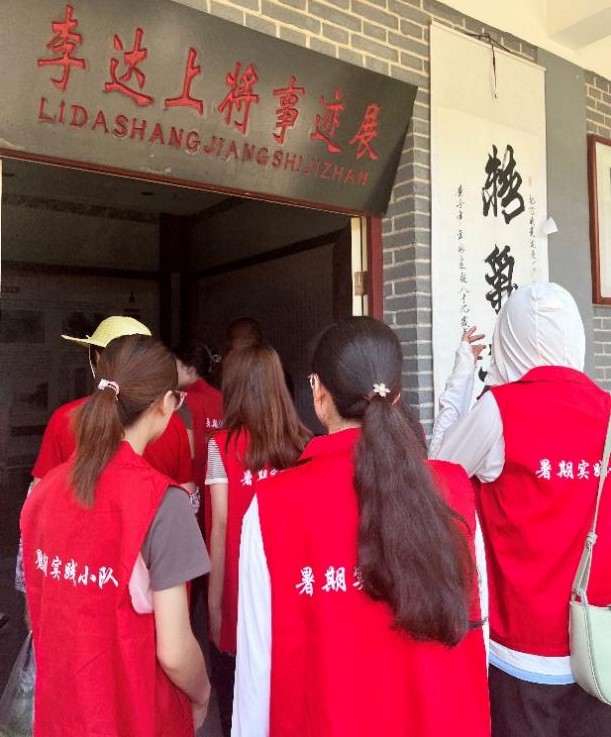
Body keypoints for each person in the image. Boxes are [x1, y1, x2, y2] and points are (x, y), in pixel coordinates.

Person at [233, 316, 490, 737]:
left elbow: (256, 676)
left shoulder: (272, 506)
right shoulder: (454, 489)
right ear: (397, 395)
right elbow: (477, 643)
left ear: (317, 393)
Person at [432, 282, 611, 736]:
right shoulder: (608, 412)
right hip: (599, 646)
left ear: (509, 340)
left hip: (521, 651)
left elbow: (437, 477)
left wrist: (460, 380)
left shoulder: (500, 410)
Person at [21, 335, 211, 737]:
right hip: (135, 713)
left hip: (61, 712)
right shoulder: (163, 502)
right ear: (165, 403)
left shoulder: (45, 492)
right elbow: (175, 652)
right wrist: (203, 693)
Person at [205, 344, 311, 737]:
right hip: (293, 583)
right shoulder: (303, 444)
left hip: (240, 586)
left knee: (237, 694)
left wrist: (213, 605)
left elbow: (219, 528)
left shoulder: (220, 446)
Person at [31, 316, 194, 491]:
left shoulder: (65, 419)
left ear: (97, 358)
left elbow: (41, 491)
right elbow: (186, 492)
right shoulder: (171, 421)